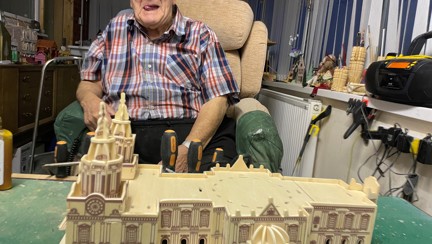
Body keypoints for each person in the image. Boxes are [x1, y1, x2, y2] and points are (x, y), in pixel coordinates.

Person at [77, 0, 239, 172]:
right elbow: (89, 81)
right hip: (123, 135)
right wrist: (90, 99)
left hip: (191, 134)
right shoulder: (112, 30)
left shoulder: (201, 34)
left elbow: (218, 98)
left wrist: (187, 149)